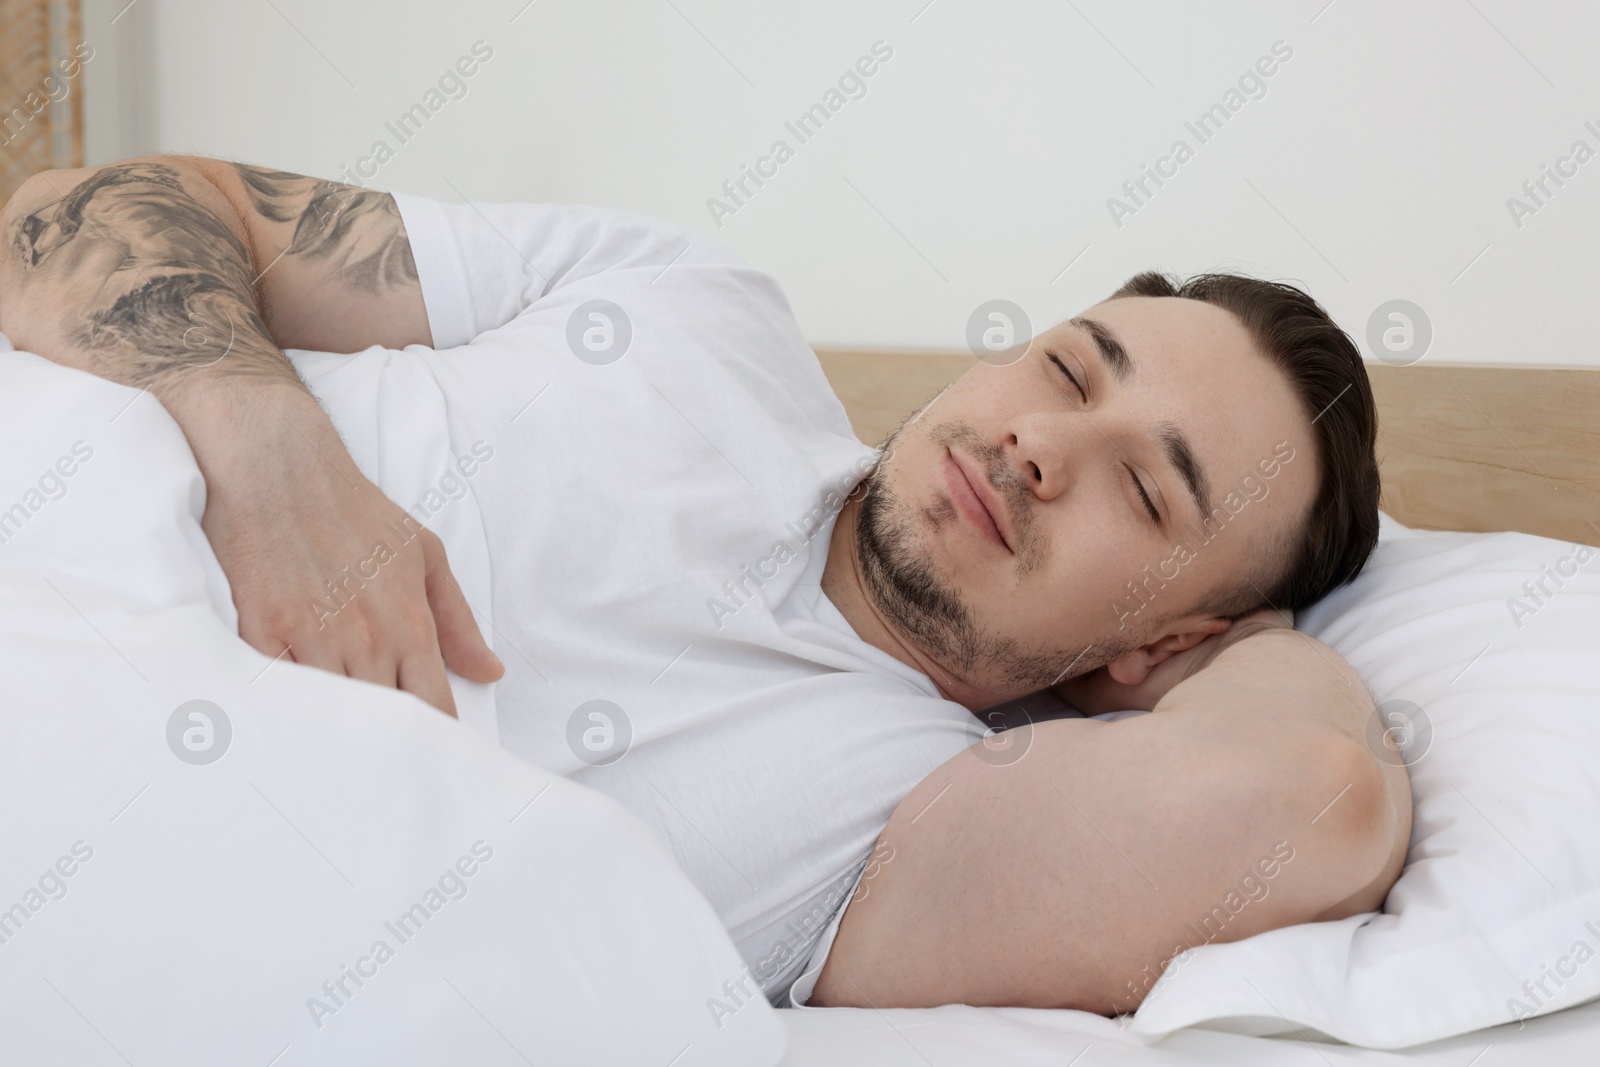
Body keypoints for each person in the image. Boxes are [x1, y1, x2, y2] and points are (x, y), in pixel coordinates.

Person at [0, 155, 1411, 1013]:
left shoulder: (896, 829)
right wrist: (271, 462)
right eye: (1062, 368)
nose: (1042, 446)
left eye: (1144, 489)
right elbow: (76, 215)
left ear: (1167, 645)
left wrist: (1245, 654)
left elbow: (1311, 799)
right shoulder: (689, 303)